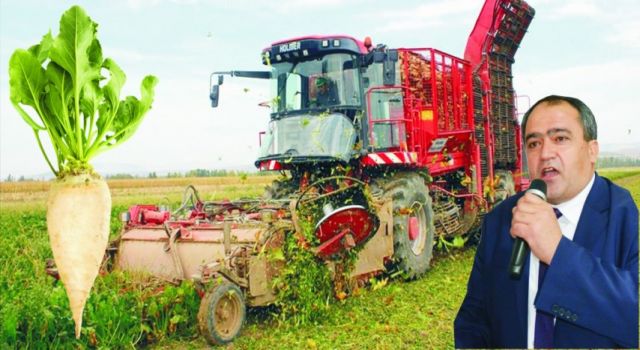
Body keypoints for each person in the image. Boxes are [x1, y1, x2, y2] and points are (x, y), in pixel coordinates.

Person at [454, 95, 638, 348]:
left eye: (560, 139)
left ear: (592, 150)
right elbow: (474, 319)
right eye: (533, 143)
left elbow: (633, 316)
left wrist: (557, 251)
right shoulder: (502, 218)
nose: (545, 153)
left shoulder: (625, 215)